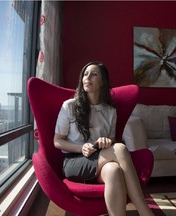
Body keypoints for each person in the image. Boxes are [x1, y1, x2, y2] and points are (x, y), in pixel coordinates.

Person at [54, 61, 154, 216]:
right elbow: (57, 141)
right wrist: (81, 147)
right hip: (74, 161)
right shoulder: (70, 106)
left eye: (94, 74)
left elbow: (112, 141)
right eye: (85, 74)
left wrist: (106, 141)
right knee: (120, 148)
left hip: (99, 159)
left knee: (114, 170)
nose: (88, 78)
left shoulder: (110, 111)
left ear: (103, 82)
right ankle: (145, 211)